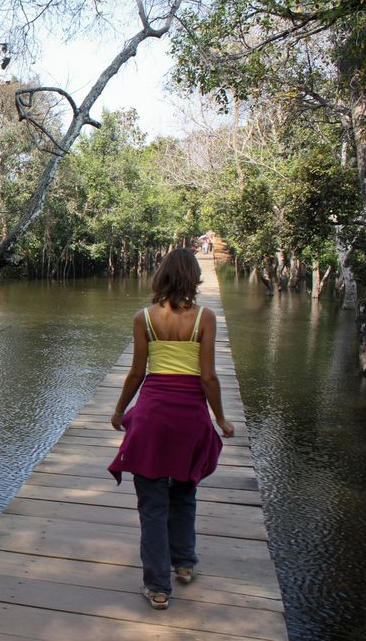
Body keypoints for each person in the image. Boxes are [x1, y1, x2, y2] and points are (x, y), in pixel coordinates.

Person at [107, 247, 234, 610]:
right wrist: (221, 419)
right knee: (184, 490)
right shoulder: (205, 318)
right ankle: (184, 563)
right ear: (193, 278)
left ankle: (158, 587)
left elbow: (136, 373)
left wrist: (119, 411)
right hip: (189, 419)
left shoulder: (144, 318)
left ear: (161, 275)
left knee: (152, 504)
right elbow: (207, 376)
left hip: (152, 417)